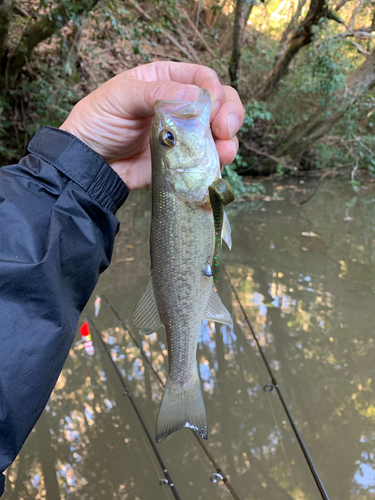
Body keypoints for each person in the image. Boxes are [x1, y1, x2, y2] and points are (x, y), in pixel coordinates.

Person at [0, 61, 244, 496]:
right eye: (169, 138)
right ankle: (181, 382)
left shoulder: (196, 191)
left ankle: (181, 382)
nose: (172, 127)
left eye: (166, 138)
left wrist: (76, 167)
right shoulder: (201, 192)